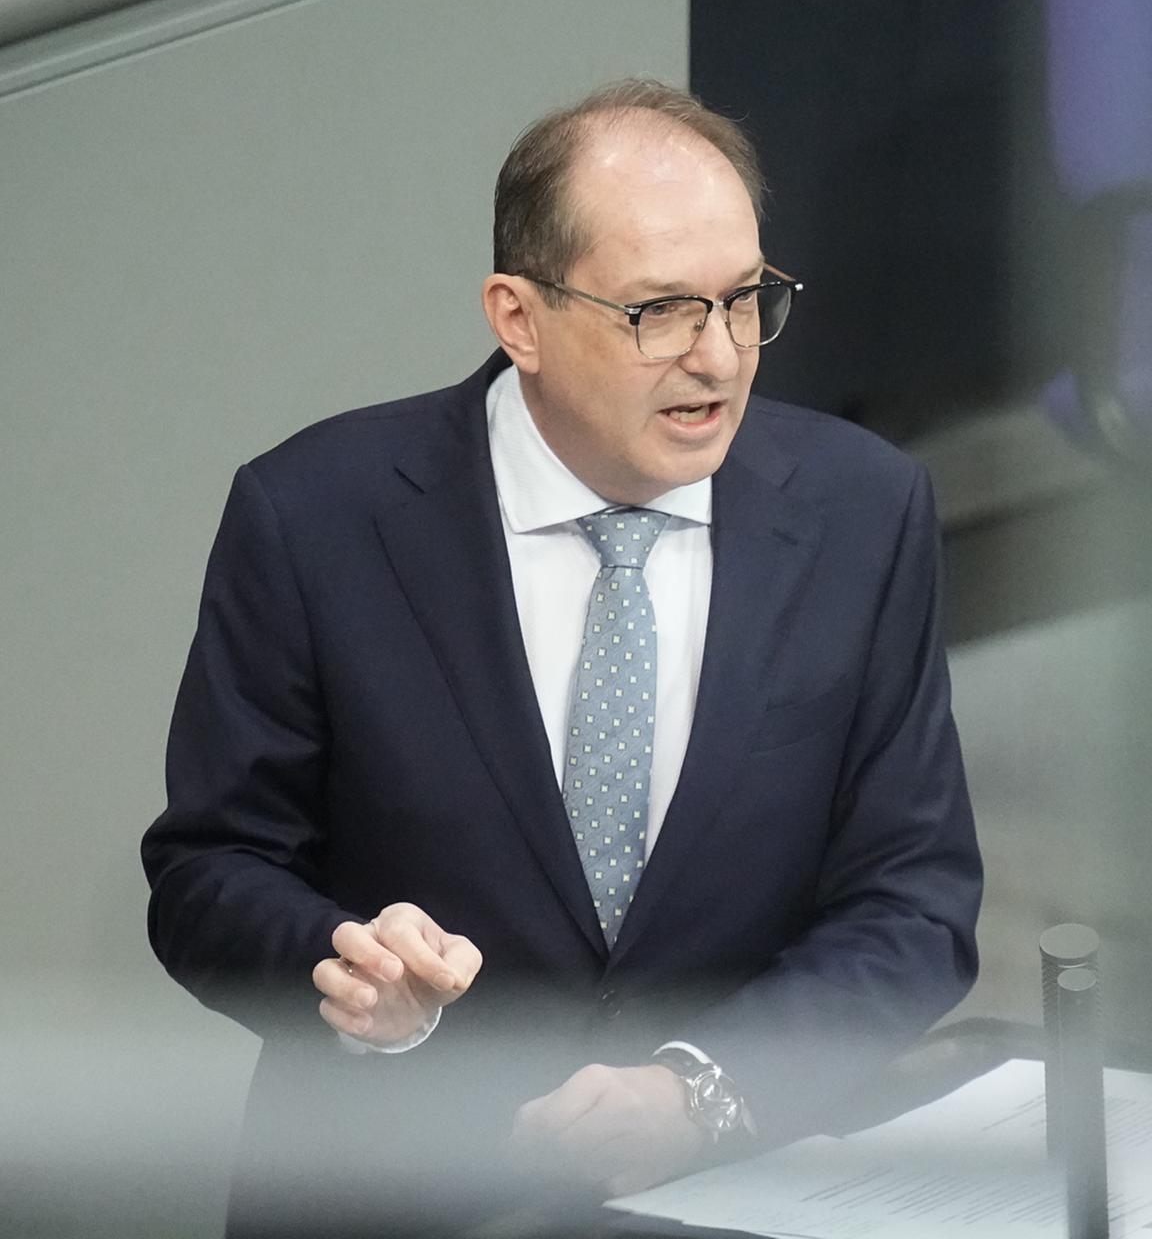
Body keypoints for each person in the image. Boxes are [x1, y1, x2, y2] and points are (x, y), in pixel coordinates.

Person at [143, 79, 981, 1236]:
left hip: (729, 1197)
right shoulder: (316, 518)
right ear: (518, 317)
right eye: (661, 312)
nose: (722, 357)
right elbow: (207, 872)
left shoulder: (861, 509)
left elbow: (915, 905)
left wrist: (702, 1089)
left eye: (745, 300)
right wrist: (336, 971)